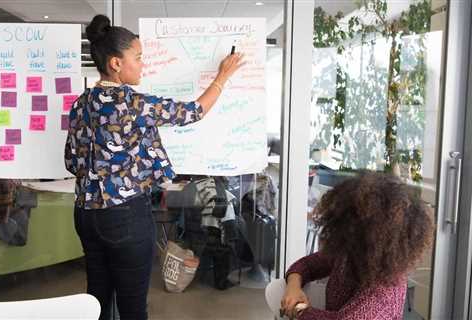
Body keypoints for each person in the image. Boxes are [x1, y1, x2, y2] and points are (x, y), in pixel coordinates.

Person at [64, 14, 244, 320]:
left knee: (97, 302)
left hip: (85, 214)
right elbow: (193, 112)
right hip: (124, 216)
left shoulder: (81, 104)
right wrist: (221, 77)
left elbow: (71, 160)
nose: (143, 64)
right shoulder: (132, 103)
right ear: (116, 64)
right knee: (133, 308)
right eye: (138, 57)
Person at [280, 171, 434, 319]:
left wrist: (298, 310)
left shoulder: (385, 291)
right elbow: (307, 265)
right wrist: (293, 287)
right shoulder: (350, 254)